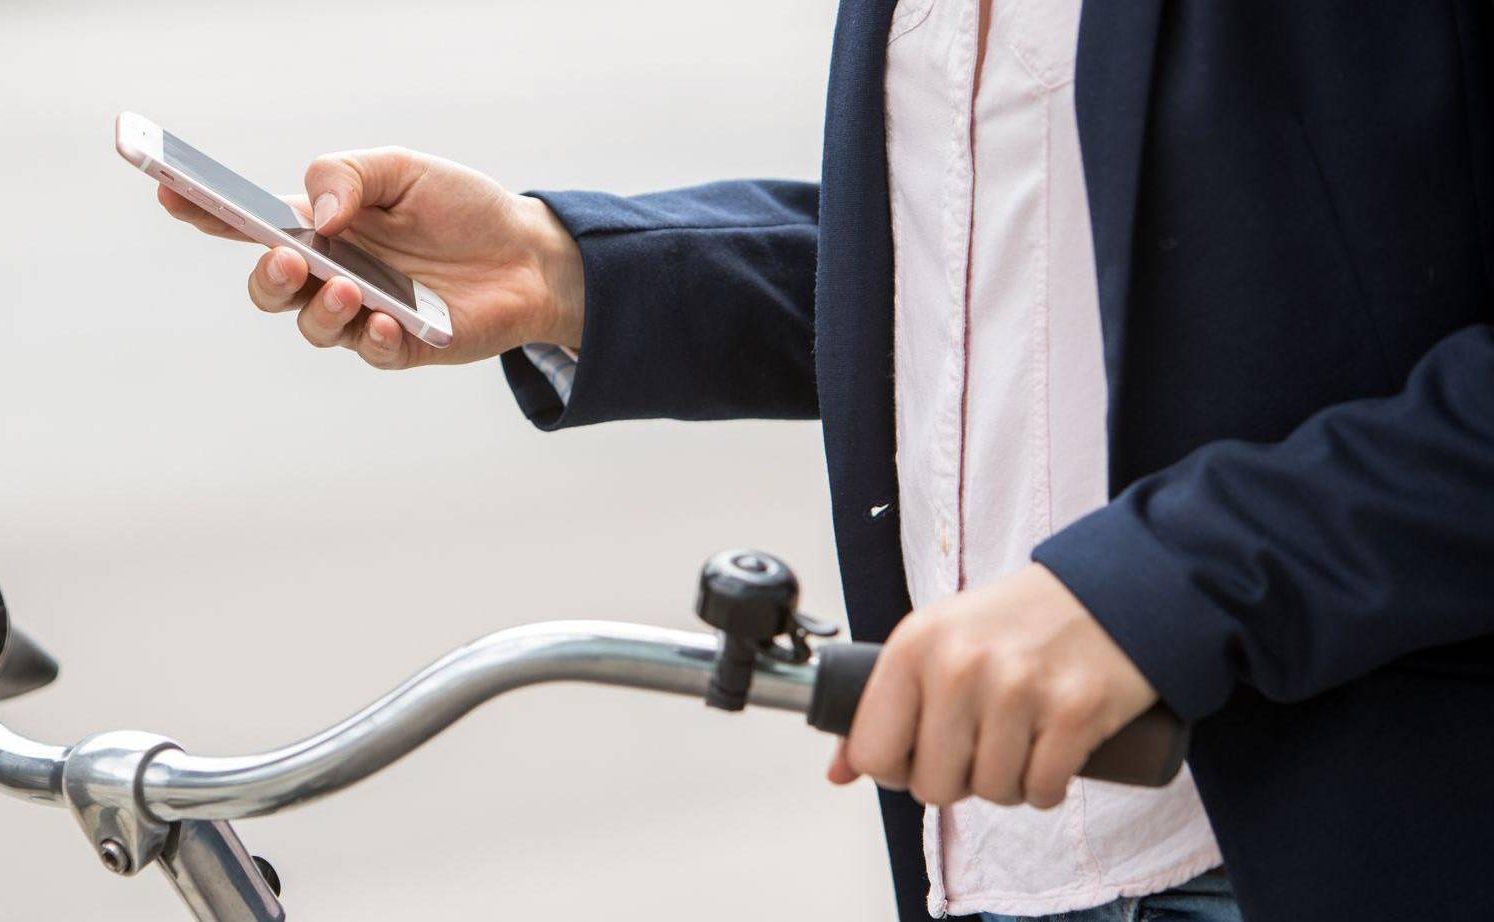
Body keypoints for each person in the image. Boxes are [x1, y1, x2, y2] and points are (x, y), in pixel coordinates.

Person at [154, 3, 1494, 920]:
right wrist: (569, 270)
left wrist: (1162, 585)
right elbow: (1017, 269)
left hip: (1327, 852)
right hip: (991, 867)